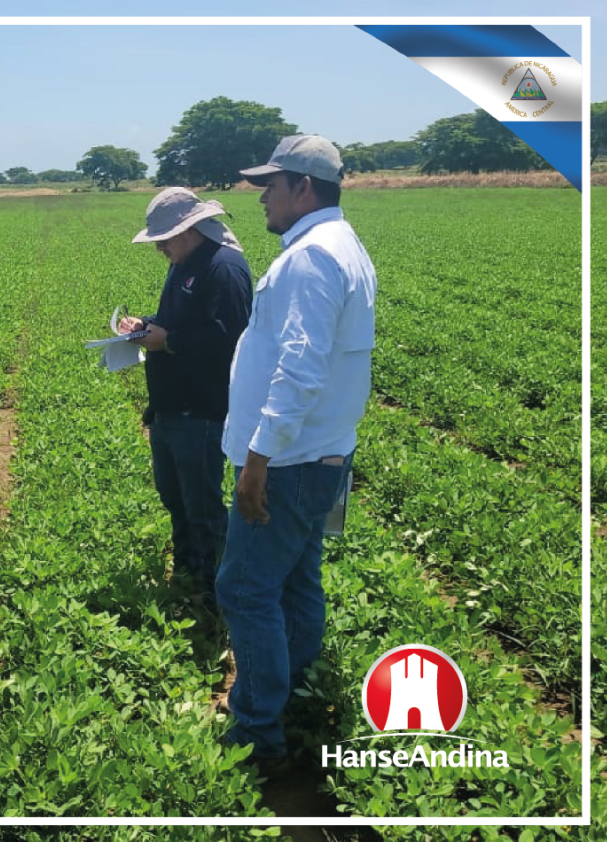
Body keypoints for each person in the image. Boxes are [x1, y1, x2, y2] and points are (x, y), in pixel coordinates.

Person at [216, 134, 377, 773]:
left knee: (246, 589)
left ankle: (257, 731)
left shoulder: (312, 257)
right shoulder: (344, 247)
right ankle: (300, 694)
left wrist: (259, 459)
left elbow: (300, 365)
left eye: (270, 186)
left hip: (289, 462)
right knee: (296, 580)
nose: (262, 199)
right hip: (322, 454)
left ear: (302, 188)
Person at [120, 187, 252, 600]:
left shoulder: (224, 267)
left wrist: (171, 341)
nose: (159, 246)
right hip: (171, 408)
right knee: (175, 498)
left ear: (191, 229)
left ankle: (218, 591)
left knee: (204, 507)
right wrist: (147, 324)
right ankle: (188, 571)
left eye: (165, 238)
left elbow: (231, 338)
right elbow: (181, 319)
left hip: (202, 410)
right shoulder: (185, 262)